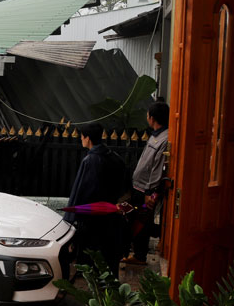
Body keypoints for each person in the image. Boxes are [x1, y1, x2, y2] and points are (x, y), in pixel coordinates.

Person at [65, 123, 130, 277]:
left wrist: (70, 218)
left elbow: (81, 191)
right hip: (111, 215)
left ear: (87, 138)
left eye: (82, 137)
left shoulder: (90, 160)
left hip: (92, 218)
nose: (81, 140)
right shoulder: (115, 157)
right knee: (108, 255)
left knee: (90, 255)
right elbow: (125, 187)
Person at [124, 101, 170, 265]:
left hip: (146, 191)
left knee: (142, 222)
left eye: (148, 115)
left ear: (152, 118)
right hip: (138, 187)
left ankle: (140, 256)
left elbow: (157, 169)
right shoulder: (156, 135)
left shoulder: (165, 139)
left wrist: (150, 193)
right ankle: (136, 252)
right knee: (134, 219)